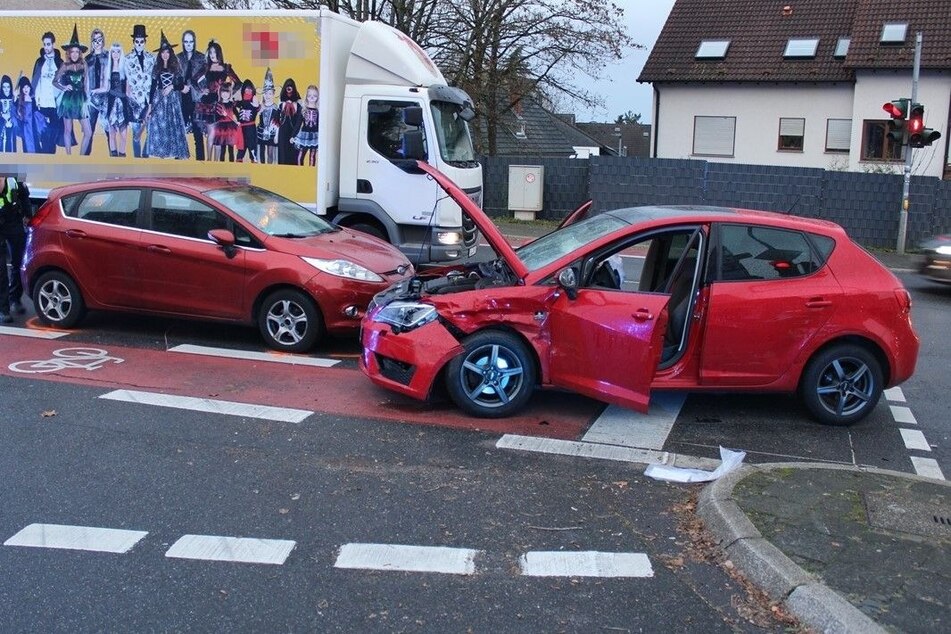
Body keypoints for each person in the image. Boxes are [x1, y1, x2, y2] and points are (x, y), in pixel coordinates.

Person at [145, 31, 189, 160]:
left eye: (167, 52)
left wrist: (172, 87)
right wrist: (149, 106)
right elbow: (152, 87)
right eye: (163, 52)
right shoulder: (156, 68)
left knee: (172, 125)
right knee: (159, 127)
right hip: (159, 99)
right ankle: (161, 153)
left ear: (171, 53)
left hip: (172, 100)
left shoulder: (176, 67)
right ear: (160, 54)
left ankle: (174, 153)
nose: (165, 54)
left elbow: (183, 86)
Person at [195, 40, 239, 161]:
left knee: (218, 138)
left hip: (222, 104)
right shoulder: (206, 67)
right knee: (211, 135)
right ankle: (208, 162)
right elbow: (194, 80)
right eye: (210, 52)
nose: (212, 54)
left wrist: (229, 94)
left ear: (219, 53)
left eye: (214, 52)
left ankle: (216, 164)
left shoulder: (226, 68)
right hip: (208, 104)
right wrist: (201, 90)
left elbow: (238, 83)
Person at [53, 25, 92, 156]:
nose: (74, 54)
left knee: (88, 132)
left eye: (77, 52)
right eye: (72, 51)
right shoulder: (64, 65)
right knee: (67, 130)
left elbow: (86, 82)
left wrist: (87, 99)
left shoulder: (84, 64)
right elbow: (54, 81)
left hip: (81, 99)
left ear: (80, 53)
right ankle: (69, 157)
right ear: (68, 53)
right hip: (68, 100)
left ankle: (81, 157)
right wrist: (64, 87)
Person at [0, 176, 31, 323]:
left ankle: (15, 299)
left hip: (13, 223)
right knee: (1, 271)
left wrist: (28, 215)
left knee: (19, 263)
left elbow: (25, 198)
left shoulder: (15, 182)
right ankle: (3, 309)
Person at [124, 24, 155, 158]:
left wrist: (151, 100)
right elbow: (125, 79)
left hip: (148, 99)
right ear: (133, 42)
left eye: (141, 41)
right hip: (134, 100)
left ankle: (145, 156)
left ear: (145, 42)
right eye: (137, 41)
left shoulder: (151, 58)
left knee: (150, 130)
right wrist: (128, 96)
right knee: (136, 133)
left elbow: (154, 79)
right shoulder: (127, 58)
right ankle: (137, 159)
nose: (139, 44)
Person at [31, 31, 63, 154]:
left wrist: (60, 100)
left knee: (54, 134)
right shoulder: (39, 62)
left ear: (53, 44)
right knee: (44, 134)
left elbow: (63, 83)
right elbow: (35, 82)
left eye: (48, 44)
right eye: (44, 44)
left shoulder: (59, 62)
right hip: (42, 104)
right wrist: (37, 101)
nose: (46, 47)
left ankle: (51, 162)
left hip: (55, 104)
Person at [176, 29, 206, 160]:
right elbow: (175, 77)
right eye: (186, 42)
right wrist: (182, 87)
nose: (188, 44)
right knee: (179, 132)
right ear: (183, 43)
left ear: (194, 43)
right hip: (181, 99)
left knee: (197, 133)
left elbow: (204, 79)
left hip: (195, 100)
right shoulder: (178, 58)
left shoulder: (200, 58)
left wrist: (193, 86)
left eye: (191, 42)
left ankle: (200, 162)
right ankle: (180, 159)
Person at [85, 27, 110, 156]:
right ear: (92, 42)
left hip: (106, 99)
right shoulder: (87, 59)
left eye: (100, 40)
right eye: (95, 40)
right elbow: (85, 80)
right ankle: (84, 160)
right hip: (91, 100)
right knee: (89, 132)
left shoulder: (109, 56)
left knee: (109, 131)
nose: (98, 43)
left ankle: (115, 159)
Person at [102, 43, 130, 157]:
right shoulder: (108, 68)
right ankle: (113, 156)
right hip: (111, 102)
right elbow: (105, 87)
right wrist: (94, 91)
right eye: (113, 51)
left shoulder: (125, 67)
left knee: (124, 135)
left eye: (118, 51)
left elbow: (128, 88)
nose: (115, 54)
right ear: (111, 53)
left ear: (121, 53)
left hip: (123, 102)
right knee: (112, 134)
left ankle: (122, 156)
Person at [15, 75, 47, 153]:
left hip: (33, 125)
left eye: (27, 87)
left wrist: (44, 118)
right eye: (23, 87)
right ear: (21, 89)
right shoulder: (19, 99)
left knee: (36, 144)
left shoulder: (33, 98)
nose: (26, 89)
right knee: (26, 145)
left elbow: (36, 111)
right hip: (25, 126)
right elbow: (16, 111)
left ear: (30, 87)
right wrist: (15, 97)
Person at [210, 81, 239, 162]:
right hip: (221, 128)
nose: (225, 94)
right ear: (220, 93)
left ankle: (232, 166)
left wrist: (238, 121)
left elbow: (237, 114)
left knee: (231, 150)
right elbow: (215, 117)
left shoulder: (232, 104)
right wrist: (222, 114)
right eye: (223, 92)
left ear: (230, 93)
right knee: (223, 150)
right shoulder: (218, 104)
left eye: (227, 92)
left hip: (231, 128)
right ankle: (222, 166)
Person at [256, 68, 279, 164]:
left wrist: (276, 135)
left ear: (273, 94)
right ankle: (261, 167)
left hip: (271, 133)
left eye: (270, 93)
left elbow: (278, 123)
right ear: (263, 94)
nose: (268, 96)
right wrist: (259, 110)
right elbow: (255, 117)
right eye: (265, 93)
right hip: (261, 132)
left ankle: (269, 168)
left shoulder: (276, 107)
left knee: (270, 152)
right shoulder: (260, 106)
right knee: (261, 152)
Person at [277, 77, 301, 165]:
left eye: (291, 87)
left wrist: (294, 135)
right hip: (282, 134)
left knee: (293, 156)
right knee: (282, 157)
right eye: (287, 87)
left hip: (293, 134)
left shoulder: (298, 106)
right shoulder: (281, 105)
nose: (289, 89)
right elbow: (276, 120)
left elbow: (299, 122)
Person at [293, 84, 319, 166]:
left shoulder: (319, 110)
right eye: (309, 95)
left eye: (314, 96)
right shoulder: (303, 109)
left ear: (318, 97)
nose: (312, 98)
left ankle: (311, 173)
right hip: (304, 135)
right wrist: (293, 135)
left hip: (315, 135)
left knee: (312, 156)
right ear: (306, 96)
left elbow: (320, 125)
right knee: (300, 156)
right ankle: (300, 172)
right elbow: (298, 124)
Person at [235, 79, 259, 163]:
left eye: (250, 88)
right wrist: (237, 120)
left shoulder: (254, 99)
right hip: (242, 128)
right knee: (241, 147)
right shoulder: (240, 102)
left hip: (251, 128)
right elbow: (232, 105)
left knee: (252, 147)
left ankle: (254, 161)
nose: (248, 90)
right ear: (243, 89)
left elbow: (256, 105)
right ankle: (239, 162)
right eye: (246, 88)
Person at [0, 76, 14, 152]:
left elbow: (16, 111)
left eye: (8, 87)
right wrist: (2, 115)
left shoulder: (14, 97)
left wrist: (10, 119)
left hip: (11, 122)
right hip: (1, 122)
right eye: (4, 87)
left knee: (10, 139)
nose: (6, 89)